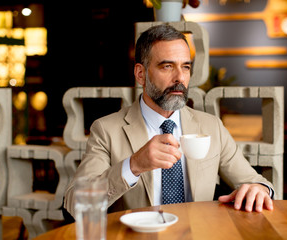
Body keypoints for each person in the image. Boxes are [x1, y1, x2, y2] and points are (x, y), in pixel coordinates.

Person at [64, 24, 274, 217]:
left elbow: (255, 182)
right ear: (140, 74)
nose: (179, 78)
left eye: (186, 67)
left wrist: (259, 189)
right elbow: (76, 203)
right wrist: (134, 165)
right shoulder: (106, 130)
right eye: (167, 66)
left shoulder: (212, 126)